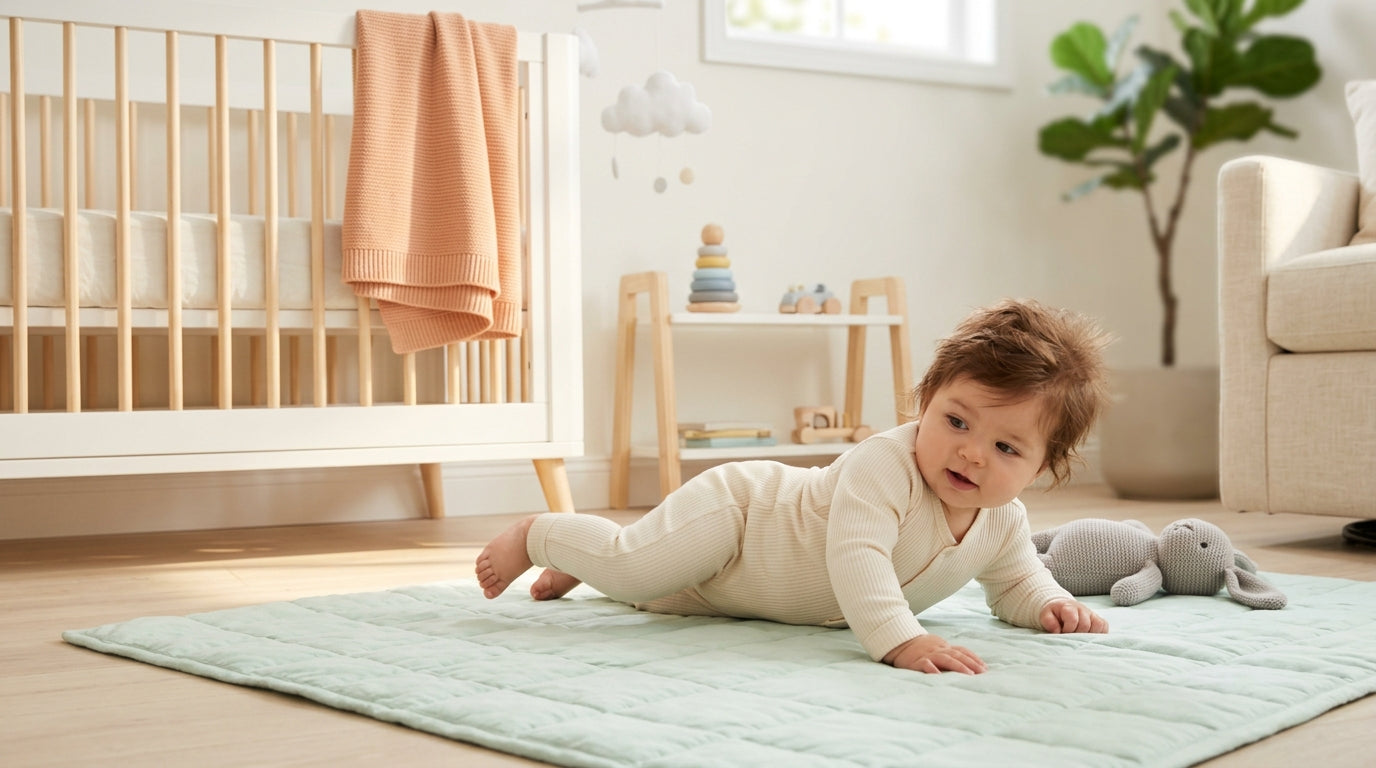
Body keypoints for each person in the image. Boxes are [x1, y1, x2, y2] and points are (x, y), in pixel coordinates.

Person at [476, 298, 1113, 674]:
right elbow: (857, 561)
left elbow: (1014, 583)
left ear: (1043, 467)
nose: (971, 452)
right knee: (637, 568)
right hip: (743, 519)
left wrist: (1049, 605)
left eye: (1005, 448)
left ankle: (586, 565)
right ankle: (544, 535)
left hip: (733, 594)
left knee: (654, 594)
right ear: (925, 402)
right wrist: (902, 641)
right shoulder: (883, 467)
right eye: (955, 421)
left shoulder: (1002, 521)